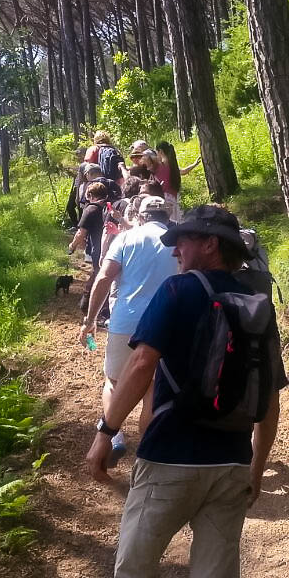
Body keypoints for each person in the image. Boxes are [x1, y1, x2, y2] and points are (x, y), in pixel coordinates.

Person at [85, 204, 287, 578]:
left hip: (169, 461)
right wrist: (256, 468)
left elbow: (140, 362)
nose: (174, 249)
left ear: (211, 244)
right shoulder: (257, 303)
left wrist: (106, 433)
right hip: (230, 466)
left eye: (184, 240)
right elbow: (270, 399)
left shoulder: (177, 291)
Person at [78, 195, 179, 464]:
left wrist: (90, 319)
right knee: (153, 388)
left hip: (126, 321)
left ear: (141, 215)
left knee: (113, 381)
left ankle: (114, 438)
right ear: (167, 216)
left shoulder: (126, 238)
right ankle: (146, 455)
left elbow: (103, 278)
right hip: (167, 321)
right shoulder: (179, 241)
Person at [69, 181, 111, 317]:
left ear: (91, 195)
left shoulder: (91, 209)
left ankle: (89, 306)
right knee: (104, 275)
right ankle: (93, 305)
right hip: (112, 247)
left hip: (98, 250)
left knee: (98, 277)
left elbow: (81, 233)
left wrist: (72, 246)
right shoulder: (110, 206)